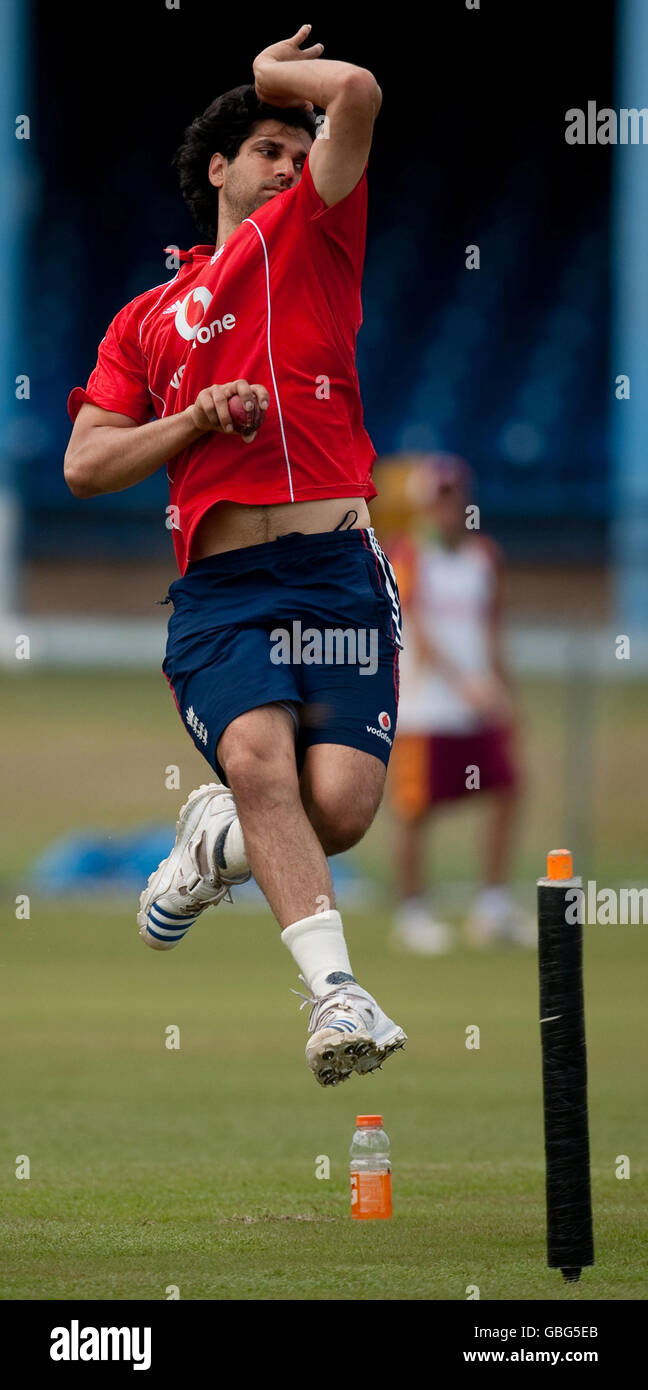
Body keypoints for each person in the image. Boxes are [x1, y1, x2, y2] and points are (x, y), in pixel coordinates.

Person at [64, 25, 406, 1086]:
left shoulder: (319, 234)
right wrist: (196, 422)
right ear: (218, 168)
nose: (292, 169)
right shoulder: (147, 319)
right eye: (268, 148)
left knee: (338, 807)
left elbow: (355, 89)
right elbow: (87, 463)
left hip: (340, 576)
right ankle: (335, 993)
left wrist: (274, 79)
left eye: (301, 157)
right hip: (222, 589)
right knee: (261, 761)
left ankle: (217, 846)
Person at [387, 454, 532, 952]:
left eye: (455, 498)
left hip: (477, 705)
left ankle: (491, 905)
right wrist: (465, 683)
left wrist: (503, 690)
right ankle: (412, 912)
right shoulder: (408, 555)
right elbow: (419, 628)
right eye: (439, 499)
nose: (448, 509)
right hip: (426, 710)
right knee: (414, 810)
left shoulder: (484, 556)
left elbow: (492, 629)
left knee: (508, 790)